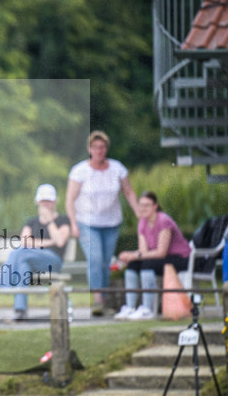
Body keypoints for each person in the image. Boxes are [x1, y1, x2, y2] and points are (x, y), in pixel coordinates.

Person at [65, 131, 138, 316]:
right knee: (95, 259)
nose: (100, 150)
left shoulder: (117, 169)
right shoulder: (80, 171)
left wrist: (139, 212)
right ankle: (98, 299)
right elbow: (70, 199)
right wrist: (73, 223)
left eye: (103, 147)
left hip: (111, 222)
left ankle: (105, 299)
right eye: (96, 147)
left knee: (106, 263)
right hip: (87, 222)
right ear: (90, 149)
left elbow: (128, 192)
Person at [0, 184, 71, 320]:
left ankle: (2, 281)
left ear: (55, 201)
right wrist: (49, 242)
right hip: (29, 261)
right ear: (37, 202)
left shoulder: (63, 220)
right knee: (23, 265)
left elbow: (60, 241)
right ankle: (20, 310)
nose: (46, 204)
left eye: (49, 201)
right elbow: (25, 241)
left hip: (52, 261)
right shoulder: (32, 221)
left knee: (19, 252)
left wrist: (49, 222)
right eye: (43, 201)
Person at [115, 191, 192, 320]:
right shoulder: (142, 222)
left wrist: (133, 255)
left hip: (180, 258)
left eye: (147, 205)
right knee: (133, 265)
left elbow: (161, 252)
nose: (143, 208)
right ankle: (130, 307)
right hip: (161, 259)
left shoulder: (163, 220)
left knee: (147, 265)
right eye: (141, 205)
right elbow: (143, 251)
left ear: (155, 206)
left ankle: (147, 308)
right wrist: (130, 256)